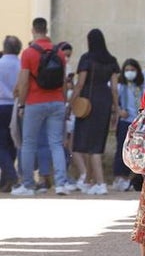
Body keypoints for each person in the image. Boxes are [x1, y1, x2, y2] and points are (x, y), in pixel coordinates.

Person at [12, 18, 76, 196]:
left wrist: (22, 104)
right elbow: (63, 81)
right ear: (46, 30)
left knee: (28, 143)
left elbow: (24, 82)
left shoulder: (28, 53)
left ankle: (28, 184)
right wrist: (63, 102)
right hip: (56, 101)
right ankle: (61, 184)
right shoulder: (60, 53)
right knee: (56, 143)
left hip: (35, 101)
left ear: (33, 30)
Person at [70, 29, 120, 195]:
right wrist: (116, 109)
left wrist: (71, 103)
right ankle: (92, 181)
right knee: (97, 143)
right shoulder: (112, 60)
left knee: (86, 145)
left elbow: (80, 83)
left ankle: (98, 182)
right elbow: (114, 88)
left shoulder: (86, 58)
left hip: (88, 102)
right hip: (104, 102)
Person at [112, 58, 145, 191]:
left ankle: (135, 179)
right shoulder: (121, 86)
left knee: (138, 152)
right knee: (122, 149)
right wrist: (119, 111)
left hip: (139, 123)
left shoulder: (143, 85)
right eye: (127, 70)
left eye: (132, 70)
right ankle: (121, 177)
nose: (129, 72)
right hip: (125, 122)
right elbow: (114, 100)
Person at [0, 36, 21, 192]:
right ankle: (5, 180)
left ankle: (11, 175)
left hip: (0, 105)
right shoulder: (22, 64)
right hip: (15, 105)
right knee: (12, 142)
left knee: (1, 145)